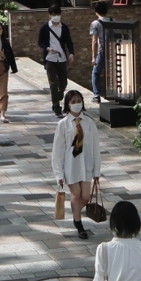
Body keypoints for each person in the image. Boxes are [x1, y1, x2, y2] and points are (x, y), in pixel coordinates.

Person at [51, 90, 100, 239]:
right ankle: (79, 225)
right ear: (67, 104)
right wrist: (59, 173)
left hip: (86, 165)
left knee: (85, 196)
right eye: (72, 102)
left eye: (78, 101)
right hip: (71, 165)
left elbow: (95, 147)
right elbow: (58, 150)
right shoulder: (63, 124)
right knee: (76, 194)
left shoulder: (89, 123)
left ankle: (75, 214)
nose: (76, 104)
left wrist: (96, 171)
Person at [38, 5, 75, 117]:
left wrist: (71, 53)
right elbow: (40, 42)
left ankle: (59, 95)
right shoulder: (45, 28)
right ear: (49, 15)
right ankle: (56, 107)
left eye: (57, 14)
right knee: (53, 84)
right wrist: (47, 48)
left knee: (63, 82)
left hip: (62, 58)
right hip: (50, 58)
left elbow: (69, 41)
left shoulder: (64, 27)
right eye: (53, 15)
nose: (56, 17)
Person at [89, 1, 111, 103]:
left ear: (96, 11)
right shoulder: (113, 20)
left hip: (102, 51)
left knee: (95, 73)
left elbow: (94, 40)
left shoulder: (95, 24)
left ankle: (96, 95)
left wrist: (93, 56)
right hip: (113, 49)